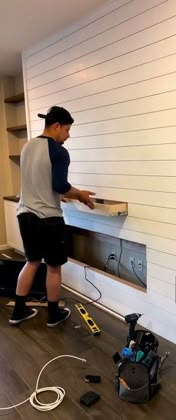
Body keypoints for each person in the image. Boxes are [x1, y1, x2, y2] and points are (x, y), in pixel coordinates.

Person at [9, 106, 95, 327]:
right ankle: (54, 315)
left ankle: (18, 311)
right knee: (54, 267)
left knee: (31, 262)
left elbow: (39, 180)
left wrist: (59, 194)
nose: (68, 135)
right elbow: (60, 186)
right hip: (47, 218)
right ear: (56, 126)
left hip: (25, 214)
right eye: (67, 130)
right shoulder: (58, 151)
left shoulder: (28, 146)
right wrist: (80, 195)